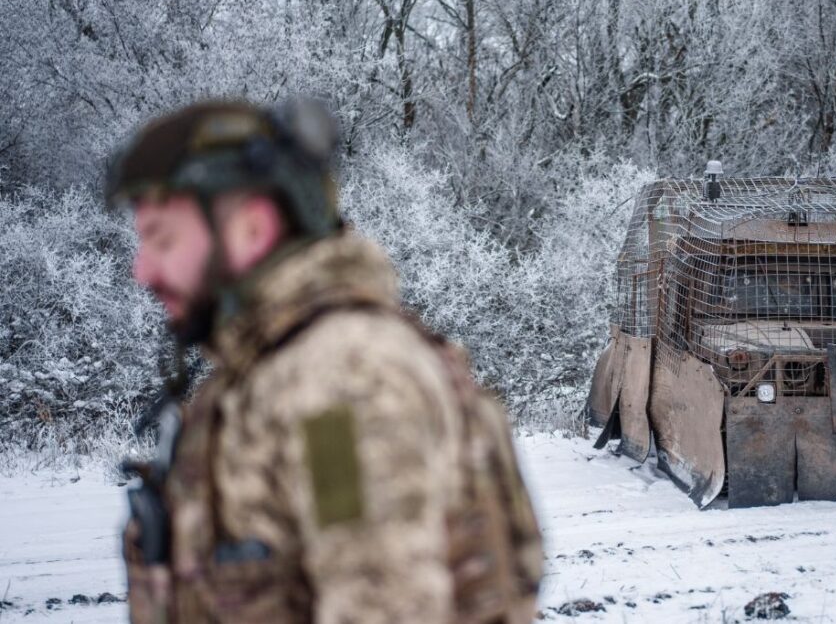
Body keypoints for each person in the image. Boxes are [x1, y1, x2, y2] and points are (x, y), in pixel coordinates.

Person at [107, 99, 543, 623]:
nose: (142, 270)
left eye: (163, 238)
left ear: (251, 230)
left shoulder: (340, 380)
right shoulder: (264, 371)